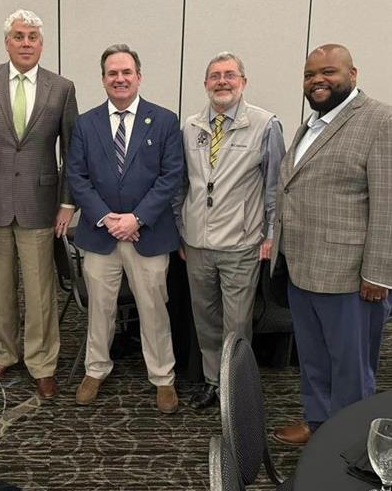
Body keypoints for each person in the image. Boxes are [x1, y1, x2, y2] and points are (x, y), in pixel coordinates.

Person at [272, 44, 392, 445]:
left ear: (353, 74)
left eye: (328, 72)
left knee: (351, 368)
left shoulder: (379, 120)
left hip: (350, 277)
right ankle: (319, 425)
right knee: (314, 360)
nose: (317, 81)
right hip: (304, 269)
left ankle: (350, 445)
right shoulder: (314, 123)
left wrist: (378, 273)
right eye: (309, 75)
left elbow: (388, 203)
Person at [0, 9, 78, 399]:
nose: (26, 42)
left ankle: (42, 363)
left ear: (42, 44)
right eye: (18, 36)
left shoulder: (61, 88)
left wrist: (67, 202)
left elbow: (72, 151)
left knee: (40, 290)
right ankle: (4, 353)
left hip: (40, 204)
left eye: (33, 36)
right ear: (7, 42)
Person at [67, 44, 184, 412]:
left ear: (139, 76)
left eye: (126, 72)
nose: (119, 79)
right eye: (112, 73)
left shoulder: (164, 120)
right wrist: (108, 219)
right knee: (100, 308)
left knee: (153, 308)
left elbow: (171, 177)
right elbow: (77, 176)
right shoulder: (86, 124)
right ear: (103, 79)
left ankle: (163, 378)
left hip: (147, 234)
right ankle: (96, 369)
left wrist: (136, 219)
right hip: (100, 234)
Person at [175, 52, 285, 410]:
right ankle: (212, 382)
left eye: (230, 75)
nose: (222, 81)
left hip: (241, 244)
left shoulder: (266, 125)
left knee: (236, 325)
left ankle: (234, 390)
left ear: (243, 82)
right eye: (214, 76)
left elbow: (275, 189)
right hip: (196, 244)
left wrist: (271, 236)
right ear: (205, 84)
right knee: (206, 320)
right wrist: (181, 230)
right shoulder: (191, 126)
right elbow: (181, 186)